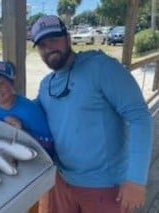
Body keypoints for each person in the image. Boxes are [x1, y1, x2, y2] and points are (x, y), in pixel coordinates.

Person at [30, 15, 153, 213]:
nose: (48, 48)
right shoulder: (46, 84)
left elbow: (140, 117)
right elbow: (31, 113)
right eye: (42, 44)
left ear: (68, 39)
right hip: (61, 179)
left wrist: (137, 179)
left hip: (104, 186)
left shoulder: (102, 67)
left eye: (54, 39)